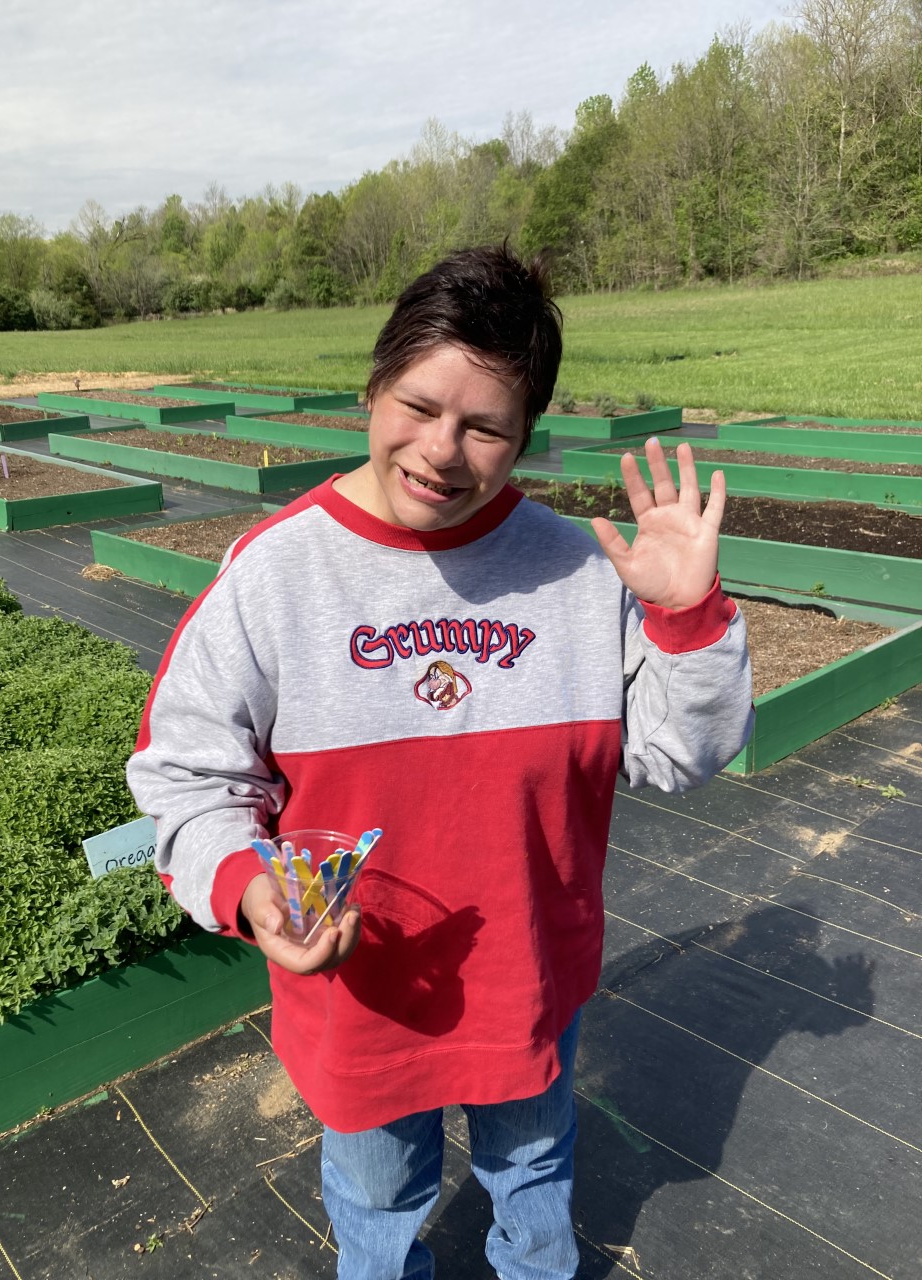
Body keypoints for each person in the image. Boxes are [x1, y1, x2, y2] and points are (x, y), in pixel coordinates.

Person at [127, 244, 754, 1279]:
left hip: (528, 980)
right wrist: (245, 885)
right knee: (376, 1205)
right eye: (417, 406)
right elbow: (189, 775)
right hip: (361, 994)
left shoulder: (574, 572)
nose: (440, 451)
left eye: (484, 427)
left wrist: (686, 617)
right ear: (372, 387)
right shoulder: (276, 574)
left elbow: (677, 752)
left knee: (536, 1183)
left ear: (526, 436)